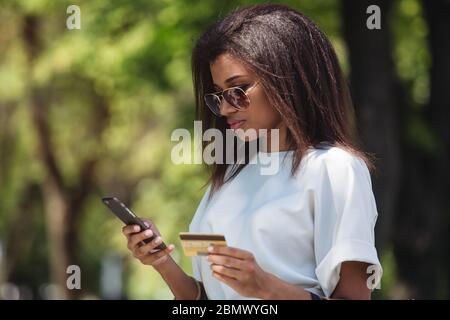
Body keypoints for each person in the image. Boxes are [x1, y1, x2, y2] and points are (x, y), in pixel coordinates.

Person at [122, 3, 382, 300]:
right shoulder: (232, 173)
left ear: (289, 79)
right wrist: (162, 261)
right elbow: (208, 298)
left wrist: (267, 288)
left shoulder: (335, 169)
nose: (224, 108)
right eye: (218, 95)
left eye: (238, 89)